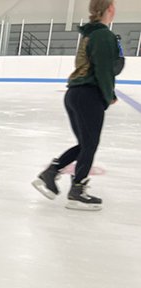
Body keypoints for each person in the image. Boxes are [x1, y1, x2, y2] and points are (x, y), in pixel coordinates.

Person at [32, 0, 124, 211]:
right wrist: (109, 94)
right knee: (89, 144)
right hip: (87, 95)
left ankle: (51, 173)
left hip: (76, 94)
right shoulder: (103, 35)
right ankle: (77, 191)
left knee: (85, 144)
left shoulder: (90, 34)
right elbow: (104, 70)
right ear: (110, 9)